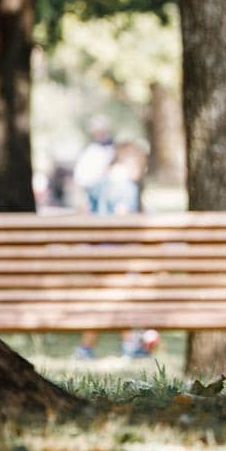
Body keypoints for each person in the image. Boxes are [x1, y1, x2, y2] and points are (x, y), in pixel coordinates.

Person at [76, 143, 160, 360]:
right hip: (118, 257)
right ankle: (130, 344)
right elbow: (123, 221)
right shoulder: (127, 188)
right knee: (119, 299)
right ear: (132, 165)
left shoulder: (96, 185)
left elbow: (84, 213)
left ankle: (91, 347)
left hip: (96, 255)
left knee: (104, 300)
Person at [72, 116, 115, 213]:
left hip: (108, 191)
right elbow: (81, 176)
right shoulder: (91, 150)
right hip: (92, 190)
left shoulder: (114, 149)